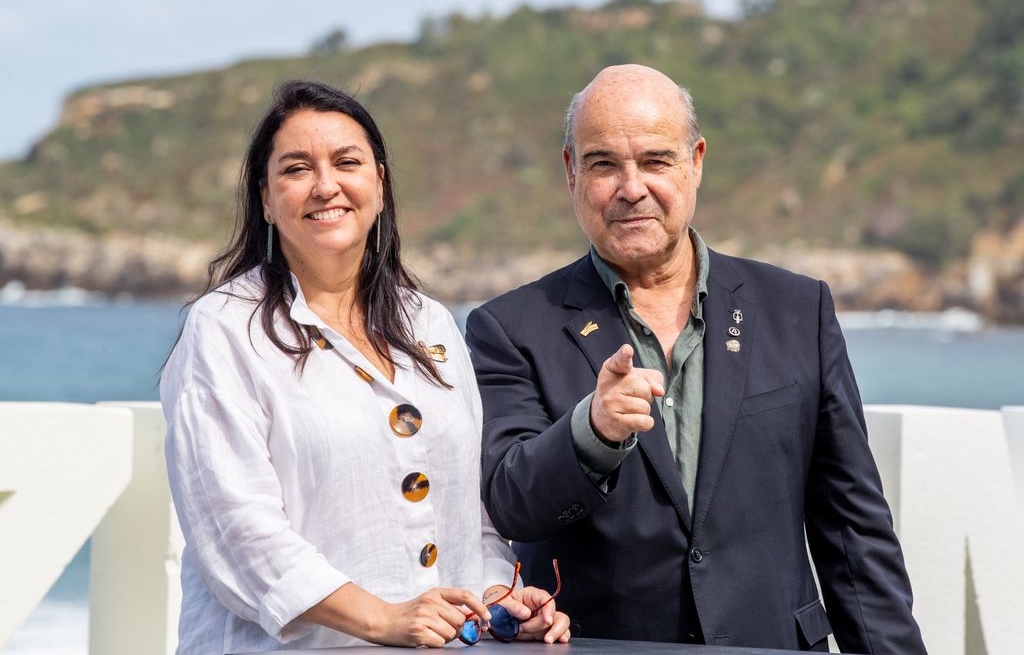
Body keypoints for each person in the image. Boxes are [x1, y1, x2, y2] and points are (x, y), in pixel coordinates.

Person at [465, 65, 926, 653]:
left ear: (696, 161)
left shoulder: (796, 309)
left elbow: (852, 526)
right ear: (571, 171)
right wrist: (592, 431)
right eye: (604, 164)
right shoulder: (509, 327)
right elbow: (510, 505)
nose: (632, 188)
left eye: (656, 161)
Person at [161, 80, 569, 653]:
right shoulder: (225, 328)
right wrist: (381, 619)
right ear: (266, 200)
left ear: (379, 185)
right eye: (297, 169)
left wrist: (500, 600)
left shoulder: (429, 322)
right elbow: (235, 532)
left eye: (346, 163)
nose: (325, 185)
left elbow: (470, 514)